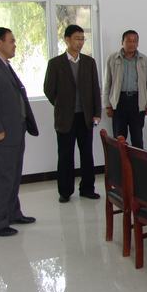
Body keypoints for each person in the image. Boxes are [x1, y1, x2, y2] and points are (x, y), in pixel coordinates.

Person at [0, 27, 39, 236]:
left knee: (14, 175)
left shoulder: (3, 64)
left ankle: (12, 213)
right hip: (2, 134)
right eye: (11, 41)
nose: (15, 45)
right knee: (5, 177)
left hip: (15, 130)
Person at [44, 25, 101, 203]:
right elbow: (49, 90)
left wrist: (97, 113)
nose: (80, 42)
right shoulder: (55, 63)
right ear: (67, 40)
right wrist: (62, 105)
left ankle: (87, 188)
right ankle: (65, 191)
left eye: (82, 39)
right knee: (65, 156)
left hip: (85, 116)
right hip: (65, 118)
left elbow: (95, 89)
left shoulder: (89, 62)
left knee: (87, 154)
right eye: (77, 38)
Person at [103, 29, 147, 148]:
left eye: (134, 41)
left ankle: (138, 161)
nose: (132, 44)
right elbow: (107, 83)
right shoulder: (113, 58)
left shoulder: (144, 60)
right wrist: (107, 105)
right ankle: (120, 161)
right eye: (128, 41)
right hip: (119, 102)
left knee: (137, 138)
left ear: (138, 43)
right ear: (122, 42)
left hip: (137, 102)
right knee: (119, 139)